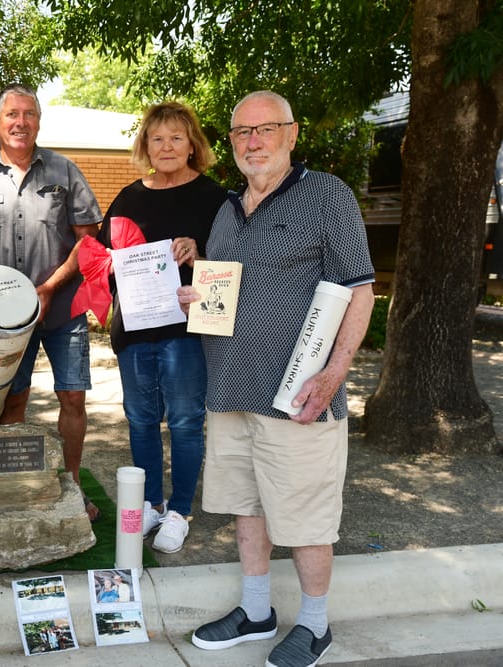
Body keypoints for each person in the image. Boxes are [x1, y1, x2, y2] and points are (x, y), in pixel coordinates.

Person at [178, 91, 375, 667]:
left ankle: (315, 626)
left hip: (297, 391)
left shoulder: (326, 195)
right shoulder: (225, 209)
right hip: (232, 387)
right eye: (242, 132)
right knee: (247, 505)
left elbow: (360, 289)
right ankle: (256, 609)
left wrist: (334, 374)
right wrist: (200, 296)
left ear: (291, 134)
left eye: (266, 130)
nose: (253, 141)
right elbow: (229, 294)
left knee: (306, 514)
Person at [0, 84, 103, 521]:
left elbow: (89, 242)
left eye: (29, 113)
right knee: (12, 402)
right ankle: (12, 487)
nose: (20, 122)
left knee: (73, 398)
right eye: (11, 113)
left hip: (62, 307)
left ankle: (70, 488)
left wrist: (49, 288)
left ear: (38, 121)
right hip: (4, 320)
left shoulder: (65, 172)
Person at [97, 101, 228, 553]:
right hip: (135, 330)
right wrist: (115, 267)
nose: (167, 146)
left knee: (188, 421)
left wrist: (202, 250)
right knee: (140, 420)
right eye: (158, 138)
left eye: (176, 137)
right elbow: (101, 259)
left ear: (193, 144)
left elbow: (234, 264)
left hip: (188, 330)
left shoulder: (215, 197)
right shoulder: (129, 196)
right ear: (145, 146)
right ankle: (151, 502)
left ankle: (180, 510)